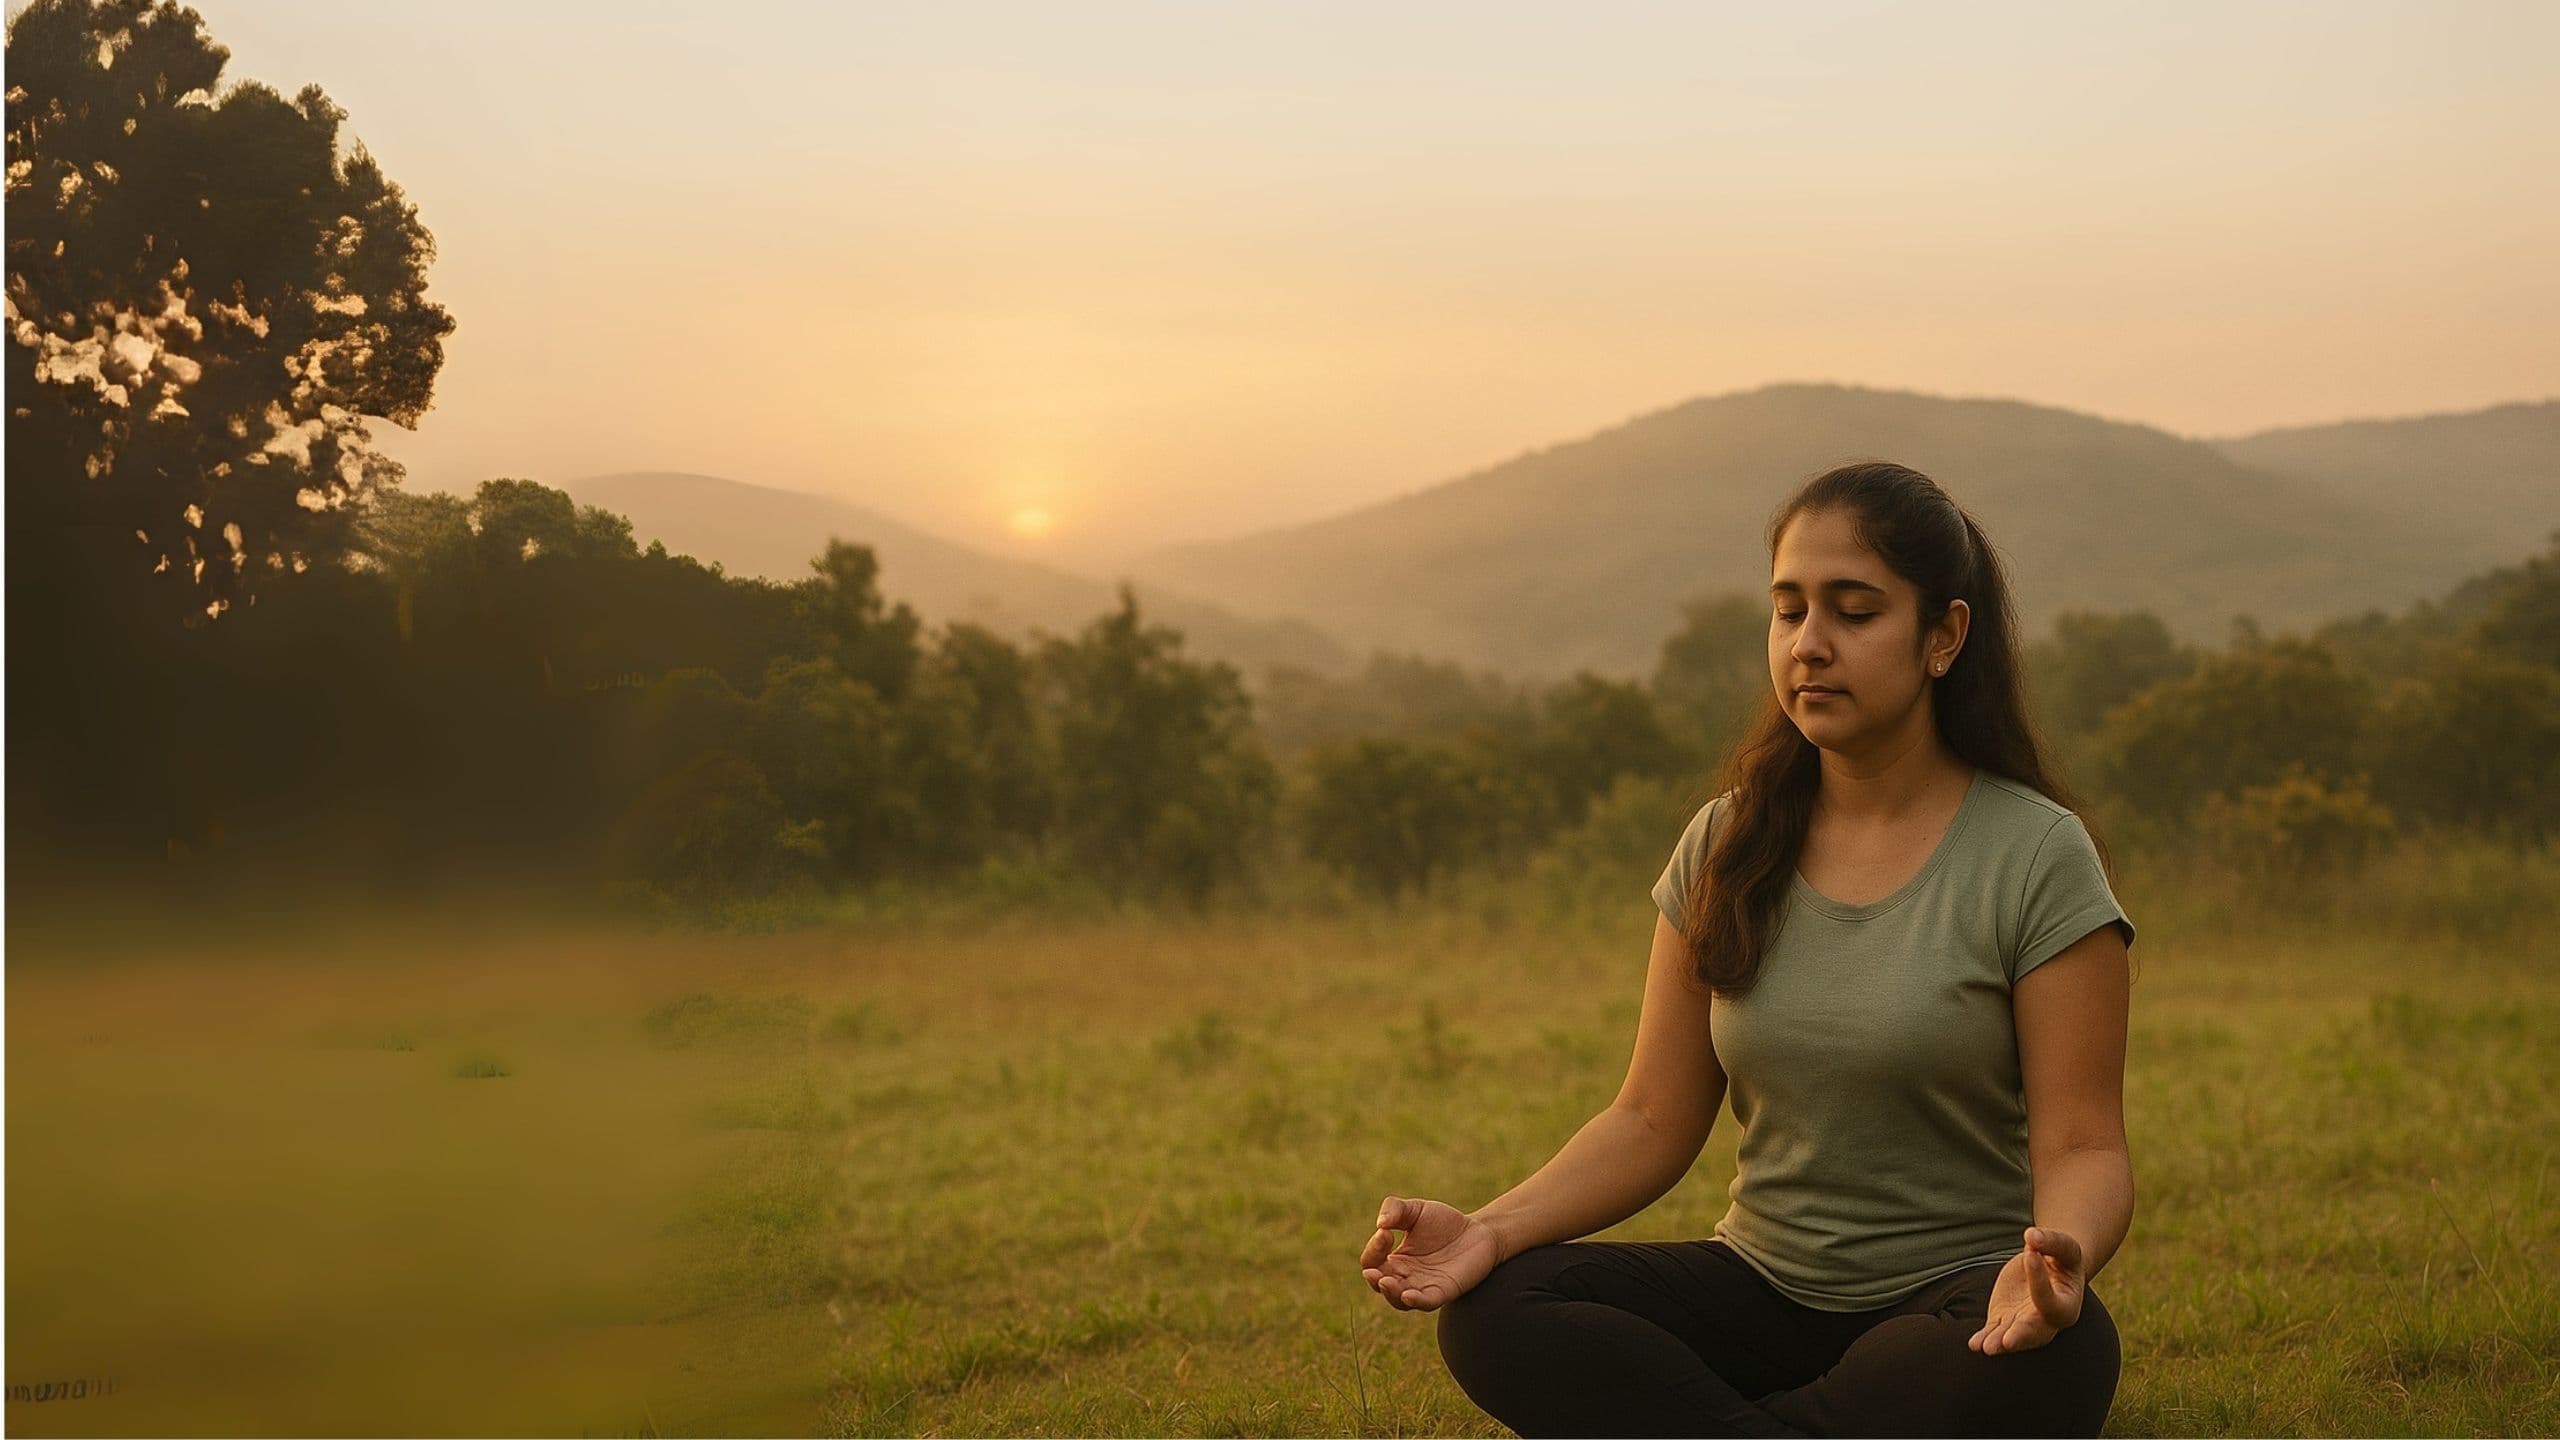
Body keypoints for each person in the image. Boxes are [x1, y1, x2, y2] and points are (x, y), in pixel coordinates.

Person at [1356, 461, 2135, 1438]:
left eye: (1853, 612)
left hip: (1952, 1307)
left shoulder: (2033, 854)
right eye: (1787, 610)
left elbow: (2084, 1144)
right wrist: (1489, 1230)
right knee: (1502, 1306)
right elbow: (1648, 1116)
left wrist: (2055, 1264)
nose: (1809, 645)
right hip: (1756, 1293)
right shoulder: (1726, 844)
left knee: (2057, 1353)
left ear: (1944, 636)